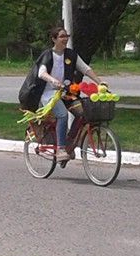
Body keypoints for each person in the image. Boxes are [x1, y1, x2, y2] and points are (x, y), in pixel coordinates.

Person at [33, 26, 104, 162]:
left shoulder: (71, 55)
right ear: (54, 39)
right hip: (49, 93)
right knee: (62, 115)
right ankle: (60, 149)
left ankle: (69, 141)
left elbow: (86, 69)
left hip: (66, 93)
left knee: (84, 112)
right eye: (61, 36)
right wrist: (53, 80)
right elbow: (41, 73)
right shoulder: (48, 55)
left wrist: (100, 82)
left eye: (66, 36)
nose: (65, 39)